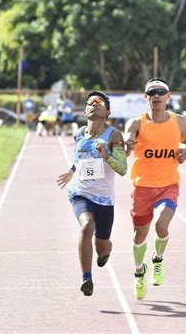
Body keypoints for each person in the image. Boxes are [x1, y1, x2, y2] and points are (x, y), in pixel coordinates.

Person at [124, 77, 186, 300]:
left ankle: (158, 260)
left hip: (168, 184)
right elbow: (126, 146)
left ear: (168, 96)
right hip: (143, 186)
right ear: (146, 98)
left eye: (160, 92)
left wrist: (185, 150)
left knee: (162, 224)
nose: (156, 96)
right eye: (151, 92)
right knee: (139, 234)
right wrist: (127, 145)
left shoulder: (179, 122)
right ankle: (138, 271)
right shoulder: (136, 123)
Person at [56, 91, 127, 296]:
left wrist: (106, 156)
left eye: (99, 103)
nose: (94, 105)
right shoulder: (78, 133)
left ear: (108, 112)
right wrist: (71, 172)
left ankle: (107, 249)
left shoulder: (114, 135)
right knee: (87, 226)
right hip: (81, 193)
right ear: (85, 110)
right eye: (90, 103)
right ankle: (87, 278)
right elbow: (79, 159)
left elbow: (122, 169)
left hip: (104, 200)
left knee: (101, 246)